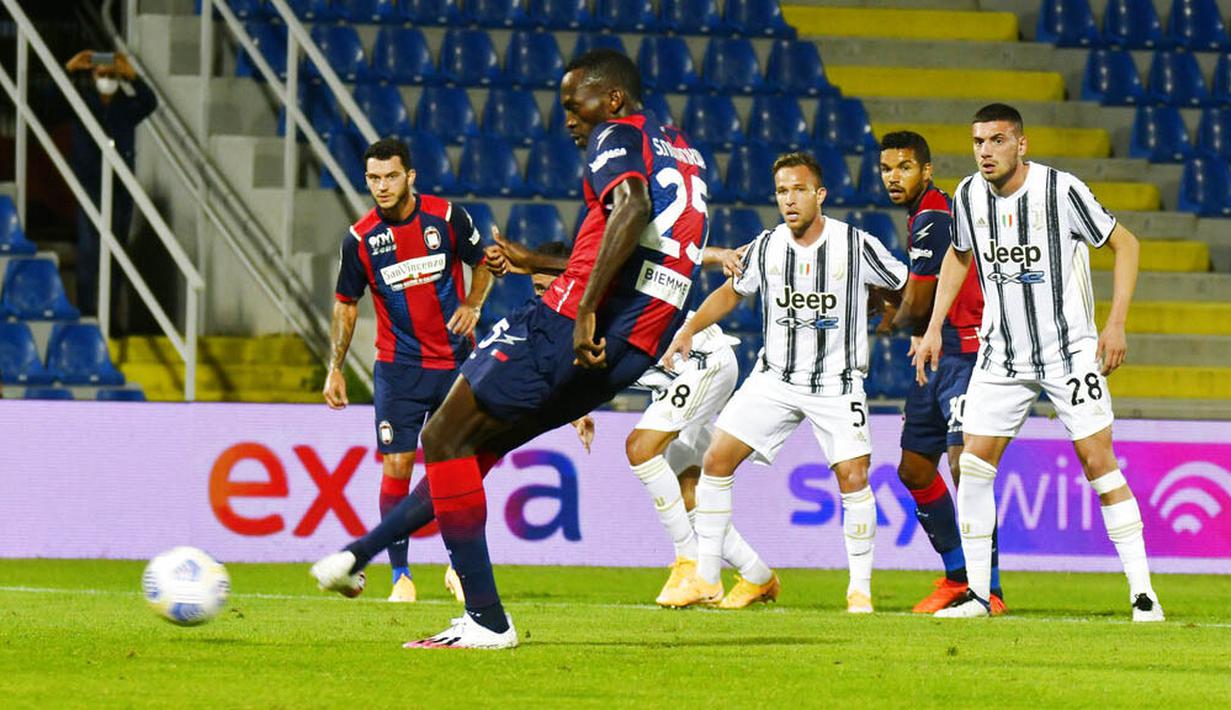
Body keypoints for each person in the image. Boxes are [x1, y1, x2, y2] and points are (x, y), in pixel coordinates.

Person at [312, 49, 710, 649]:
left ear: (613, 100)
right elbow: (641, 248)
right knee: (468, 451)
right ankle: (360, 553)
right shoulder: (681, 149)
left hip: (570, 327)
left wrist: (580, 311)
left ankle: (485, 619)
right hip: (636, 344)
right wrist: (539, 262)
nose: (571, 121)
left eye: (576, 107)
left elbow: (630, 208)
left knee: (444, 437)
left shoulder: (617, 134)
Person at [913, 103, 1163, 621]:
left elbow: (1126, 244)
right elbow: (959, 254)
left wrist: (1115, 324)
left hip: (1067, 353)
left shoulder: (1060, 190)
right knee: (974, 466)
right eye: (979, 141)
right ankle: (980, 597)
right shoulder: (967, 195)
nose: (986, 151)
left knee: (1098, 462)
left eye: (997, 140)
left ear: (1021, 145)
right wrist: (935, 324)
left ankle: (1144, 596)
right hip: (1002, 355)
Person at [661, 152, 908, 614]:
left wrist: (892, 311)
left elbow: (905, 283)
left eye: (798, 190)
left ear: (820, 195)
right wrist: (689, 330)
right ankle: (707, 578)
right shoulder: (768, 246)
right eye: (781, 191)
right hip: (775, 377)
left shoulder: (856, 244)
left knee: (853, 478)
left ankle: (860, 592)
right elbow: (731, 292)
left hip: (837, 383)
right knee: (716, 460)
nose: (789, 200)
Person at [530, 242, 779, 609]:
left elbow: (676, 255)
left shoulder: (606, 290)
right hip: (678, 378)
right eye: (536, 290)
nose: (543, 296)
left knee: (640, 448)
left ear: (566, 278)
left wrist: (721, 255)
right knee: (686, 490)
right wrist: (577, 411)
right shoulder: (566, 326)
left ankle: (689, 564)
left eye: (546, 286)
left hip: (703, 360)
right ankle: (758, 576)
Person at [322, 137, 492, 604]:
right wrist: (334, 368)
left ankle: (460, 568)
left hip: (456, 364)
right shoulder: (360, 240)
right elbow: (345, 305)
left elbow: (485, 263)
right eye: (373, 178)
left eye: (391, 176)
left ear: (410, 176)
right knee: (397, 467)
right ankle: (401, 577)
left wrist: (474, 304)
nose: (381, 186)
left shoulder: (447, 217)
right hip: (398, 370)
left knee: (459, 469)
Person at [877, 131, 1005, 615]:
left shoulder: (934, 214)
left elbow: (919, 298)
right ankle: (957, 575)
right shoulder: (920, 215)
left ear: (926, 171)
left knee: (963, 467)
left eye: (905, 167)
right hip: (937, 351)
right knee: (914, 468)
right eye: (887, 167)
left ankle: (987, 588)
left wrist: (891, 317)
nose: (894, 176)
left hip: (967, 351)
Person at [63, 50, 157, 317]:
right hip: (91, 183)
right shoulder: (81, 102)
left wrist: (133, 76)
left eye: (111, 74)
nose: (106, 78)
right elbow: (50, 99)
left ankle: (111, 316)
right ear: (93, 75)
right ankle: (87, 311)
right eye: (102, 74)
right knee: (90, 250)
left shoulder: (125, 107)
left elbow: (150, 102)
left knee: (116, 254)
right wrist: (70, 67)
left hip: (120, 186)